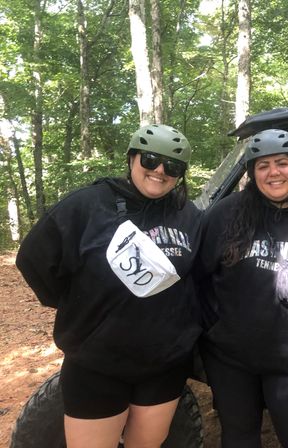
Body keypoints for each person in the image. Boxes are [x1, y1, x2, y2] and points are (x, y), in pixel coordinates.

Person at [16, 124, 202, 448]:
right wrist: (75, 303)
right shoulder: (88, 205)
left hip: (163, 366)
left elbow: (200, 276)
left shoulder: (189, 216)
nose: (159, 171)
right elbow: (34, 258)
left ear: (180, 174)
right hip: (97, 363)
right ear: (132, 159)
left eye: (171, 166)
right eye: (150, 160)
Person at [194, 128, 288, 448]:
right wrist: (214, 330)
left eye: (282, 163)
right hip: (231, 361)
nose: (273, 172)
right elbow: (199, 279)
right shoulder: (225, 214)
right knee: (239, 437)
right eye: (263, 166)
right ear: (252, 173)